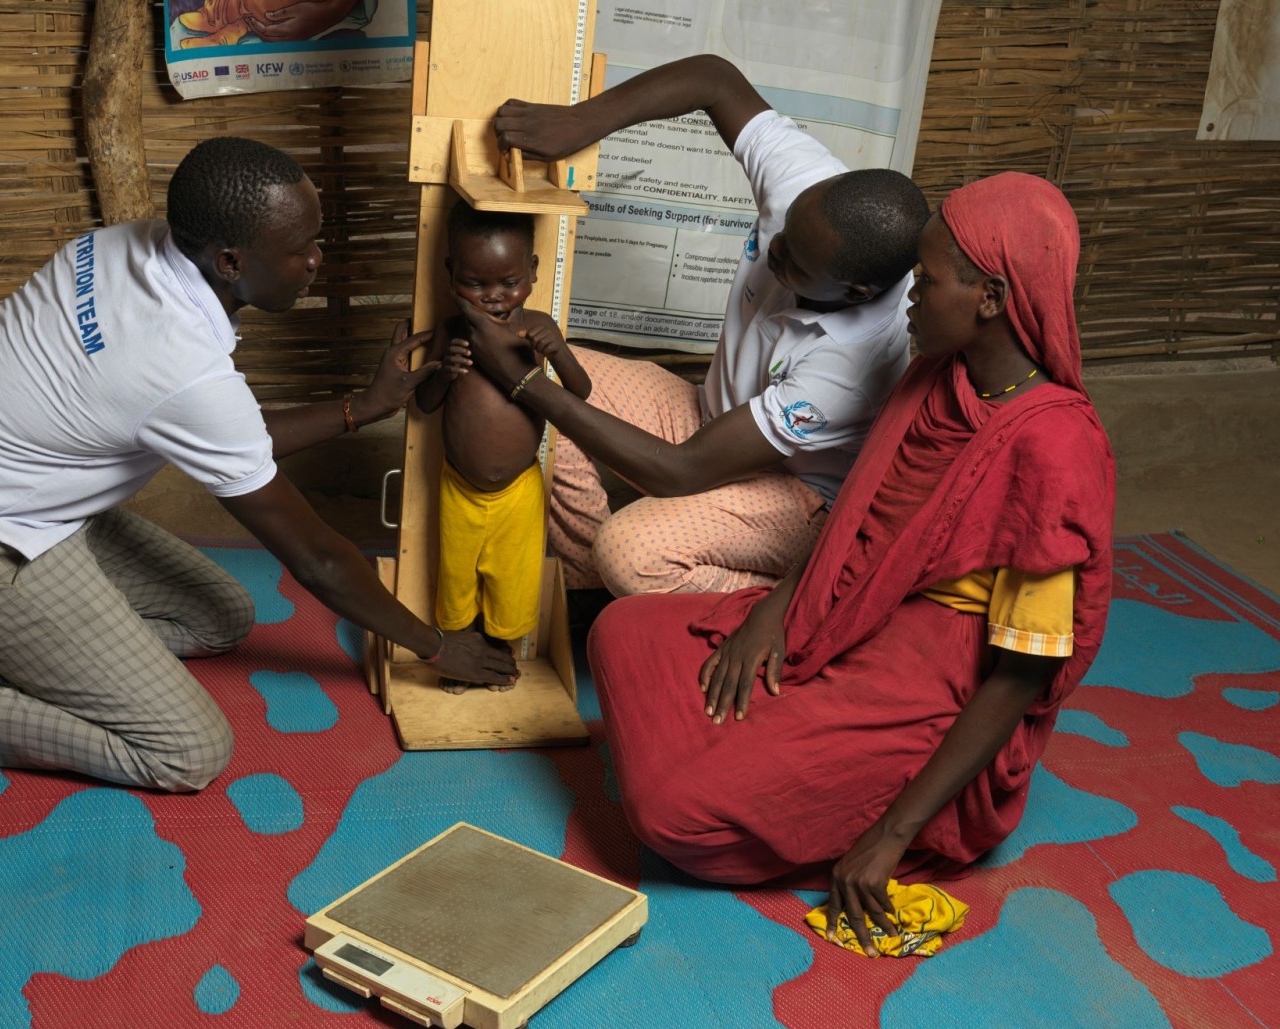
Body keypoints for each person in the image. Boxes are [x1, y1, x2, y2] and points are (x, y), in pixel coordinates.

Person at [0, 136, 516, 791]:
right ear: (227, 260)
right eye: (299, 250)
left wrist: (360, 409)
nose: (315, 260)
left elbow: (222, 438)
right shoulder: (179, 363)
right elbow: (318, 559)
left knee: (219, 617)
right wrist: (433, 646)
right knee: (185, 750)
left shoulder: (120, 246)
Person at [585, 172, 1116, 953]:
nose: (906, 299)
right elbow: (863, 525)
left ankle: (839, 799)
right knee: (624, 631)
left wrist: (893, 836)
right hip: (851, 607)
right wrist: (775, 609)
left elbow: (1021, 674)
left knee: (673, 813)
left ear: (992, 297)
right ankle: (774, 758)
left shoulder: (1055, 448)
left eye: (927, 282)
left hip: (937, 674)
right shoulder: (939, 373)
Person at [464, 54, 928, 598]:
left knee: (629, 552)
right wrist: (581, 121)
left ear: (856, 293)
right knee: (535, 364)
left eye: (794, 262)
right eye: (783, 229)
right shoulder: (817, 196)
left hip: (795, 497)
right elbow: (714, 78)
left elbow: (682, 472)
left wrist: (528, 388)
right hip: (709, 420)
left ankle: (788, 602)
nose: (774, 249)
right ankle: (590, 586)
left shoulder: (850, 368)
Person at [413, 203, 592, 693]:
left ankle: (500, 656)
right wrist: (444, 372)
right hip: (458, 489)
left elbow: (580, 394)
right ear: (451, 274)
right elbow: (425, 405)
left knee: (512, 583)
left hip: (519, 490)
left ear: (534, 272)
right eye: (476, 283)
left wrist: (557, 351)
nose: (494, 297)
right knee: (456, 580)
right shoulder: (452, 331)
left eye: (509, 282)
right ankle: (459, 656)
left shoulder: (537, 328)